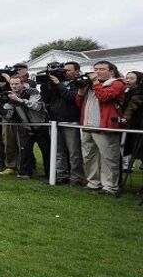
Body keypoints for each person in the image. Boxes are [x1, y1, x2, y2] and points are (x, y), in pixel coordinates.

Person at [76, 60, 126, 195]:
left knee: (108, 157)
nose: (97, 72)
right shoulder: (90, 85)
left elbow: (104, 96)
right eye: (95, 69)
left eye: (101, 69)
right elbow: (79, 103)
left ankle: (109, 186)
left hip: (105, 126)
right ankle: (93, 182)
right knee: (89, 156)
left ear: (111, 71)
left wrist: (95, 83)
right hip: (87, 125)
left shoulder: (117, 83)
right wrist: (81, 90)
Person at [39, 61, 84, 186]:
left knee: (74, 153)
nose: (65, 72)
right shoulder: (55, 84)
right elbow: (46, 99)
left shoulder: (78, 83)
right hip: (54, 121)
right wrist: (46, 85)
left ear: (76, 71)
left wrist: (59, 84)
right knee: (58, 152)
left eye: (68, 70)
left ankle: (76, 178)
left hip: (71, 121)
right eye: (64, 70)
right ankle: (61, 175)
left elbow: (71, 98)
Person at [2, 77, 50, 179]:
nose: (14, 86)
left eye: (16, 84)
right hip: (25, 126)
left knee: (46, 151)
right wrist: (0, 108)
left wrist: (19, 100)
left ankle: (50, 174)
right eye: (12, 84)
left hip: (40, 125)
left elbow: (36, 106)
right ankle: (25, 173)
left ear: (22, 83)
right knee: (25, 150)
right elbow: (9, 116)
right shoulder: (11, 96)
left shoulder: (32, 91)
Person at [120, 71, 143, 173]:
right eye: (127, 77)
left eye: (131, 78)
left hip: (139, 124)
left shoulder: (139, 91)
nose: (128, 80)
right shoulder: (128, 90)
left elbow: (132, 105)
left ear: (138, 80)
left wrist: (125, 117)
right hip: (133, 124)